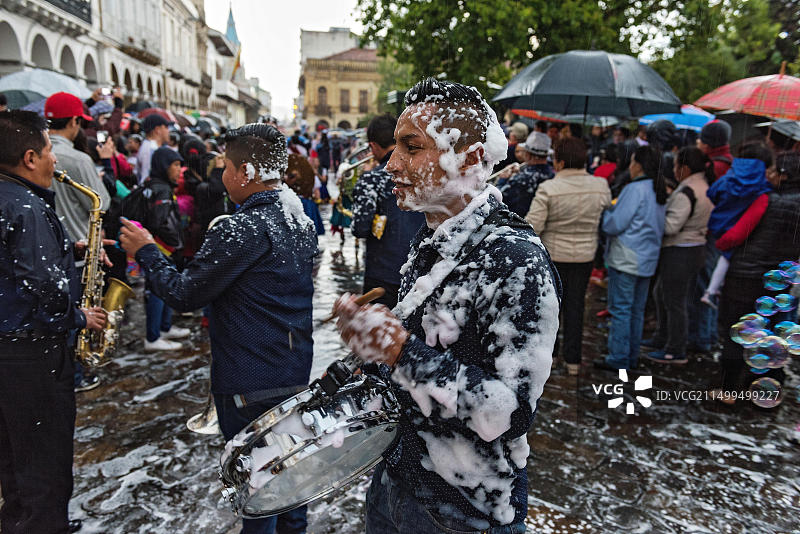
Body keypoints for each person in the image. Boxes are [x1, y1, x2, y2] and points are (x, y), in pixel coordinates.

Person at [333, 78, 560, 533]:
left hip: (466, 510)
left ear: (471, 158)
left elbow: (511, 413)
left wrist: (399, 351)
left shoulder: (514, 259)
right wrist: (364, 361)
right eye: (394, 147)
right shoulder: (430, 237)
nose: (391, 163)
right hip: (398, 480)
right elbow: (426, 353)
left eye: (410, 147)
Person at [120, 123, 316, 534]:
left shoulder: (240, 227)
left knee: (259, 497)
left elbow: (183, 293)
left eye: (226, 166)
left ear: (244, 172)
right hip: (293, 373)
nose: (223, 175)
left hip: (248, 385)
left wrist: (147, 251)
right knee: (290, 488)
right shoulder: (299, 218)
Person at [0, 110, 107, 534]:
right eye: (48, 151)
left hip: (6, 354)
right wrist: (82, 316)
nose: (55, 161)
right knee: (45, 467)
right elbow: (46, 295)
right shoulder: (27, 207)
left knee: (13, 459)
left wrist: (71, 252)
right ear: (29, 157)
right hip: (32, 358)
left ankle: (17, 523)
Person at [714, 151, 800, 403]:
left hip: (746, 276)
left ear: (784, 175)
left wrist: (721, 242)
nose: (769, 175)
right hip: (781, 281)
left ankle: (729, 389)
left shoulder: (766, 200)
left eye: (773, 171)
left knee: (738, 331)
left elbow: (735, 235)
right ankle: (763, 389)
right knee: (772, 334)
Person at [526, 137, 610, 375]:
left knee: (551, 309)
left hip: (554, 257)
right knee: (576, 307)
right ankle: (573, 360)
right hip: (585, 257)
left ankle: (551, 356)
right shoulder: (600, 186)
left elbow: (534, 225)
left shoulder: (549, 189)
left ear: (559, 162)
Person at [595, 145, 667, 371]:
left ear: (640, 165)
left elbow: (616, 224)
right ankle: (631, 355)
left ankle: (618, 357)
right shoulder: (659, 189)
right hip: (647, 259)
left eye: (634, 161)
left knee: (621, 309)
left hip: (627, 258)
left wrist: (606, 213)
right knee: (636, 310)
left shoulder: (635, 189)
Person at [645, 147, 715, 364]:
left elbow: (671, 226)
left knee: (674, 301)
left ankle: (675, 349)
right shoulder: (703, 186)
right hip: (695, 248)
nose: (674, 170)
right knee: (663, 294)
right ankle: (662, 337)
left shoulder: (687, 191)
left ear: (684, 168)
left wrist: (653, 216)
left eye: (676, 165)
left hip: (680, 250)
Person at [350, 113, 425, 308]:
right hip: (421, 274)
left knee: (380, 334)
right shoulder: (424, 175)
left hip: (382, 274)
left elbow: (360, 228)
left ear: (374, 146)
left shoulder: (371, 179)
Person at [701, 142, 774, 307]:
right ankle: (712, 292)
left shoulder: (729, 178)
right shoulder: (761, 184)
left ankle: (711, 291)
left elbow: (712, 192)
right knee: (726, 258)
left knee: (712, 264)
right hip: (739, 230)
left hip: (718, 224)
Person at [138, 147, 191, 352]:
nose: (179, 169)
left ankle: (165, 327)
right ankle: (153, 337)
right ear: (163, 166)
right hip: (162, 247)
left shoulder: (156, 185)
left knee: (164, 288)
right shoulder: (162, 189)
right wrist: (174, 242)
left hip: (161, 246)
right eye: (175, 165)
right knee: (158, 291)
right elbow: (159, 221)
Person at [45, 92, 112, 242]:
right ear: (74, 121)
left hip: (45, 247)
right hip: (78, 247)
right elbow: (101, 204)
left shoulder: (31, 154)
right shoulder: (78, 159)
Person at [496, 131, 554, 217]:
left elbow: (499, 200)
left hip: (519, 223)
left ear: (528, 155)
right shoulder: (552, 175)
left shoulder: (523, 179)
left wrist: (503, 179)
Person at [137, 114, 172, 184]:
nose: (168, 131)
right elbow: (146, 177)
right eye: (166, 127)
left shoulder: (151, 146)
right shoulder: (150, 149)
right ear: (157, 130)